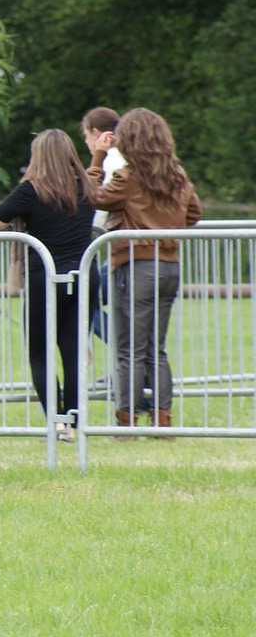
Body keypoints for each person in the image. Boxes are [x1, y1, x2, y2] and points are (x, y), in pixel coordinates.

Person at [87, 109, 201, 437]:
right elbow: (194, 212)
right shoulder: (175, 172)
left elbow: (93, 197)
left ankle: (127, 423)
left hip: (135, 266)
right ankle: (161, 420)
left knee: (128, 350)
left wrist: (98, 158)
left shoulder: (128, 174)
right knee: (156, 348)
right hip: (169, 266)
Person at [0, 129, 99, 442]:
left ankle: (57, 424)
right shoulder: (88, 186)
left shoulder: (31, 190)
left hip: (44, 279)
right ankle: (74, 423)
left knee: (41, 353)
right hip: (84, 276)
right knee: (75, 351)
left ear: (39, 156)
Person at [81, 106, 126, 346]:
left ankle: (126, 357)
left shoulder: (110, 161)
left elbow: (96, 203)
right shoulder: (130, 157)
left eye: (87, 136)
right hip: (141, 249)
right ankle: (127, 365)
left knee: (86, 302)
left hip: (124, 249)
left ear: (96, 133)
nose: (87, 142)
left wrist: (83, 230)